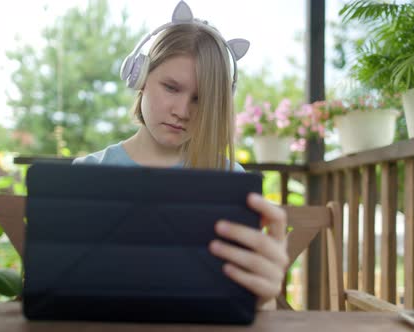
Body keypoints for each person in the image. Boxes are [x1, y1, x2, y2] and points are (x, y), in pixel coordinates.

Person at [73, 0, 288, 310]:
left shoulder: (230, 181)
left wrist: (263, 296)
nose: (183, 111)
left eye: (200, 99)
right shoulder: (88, 173)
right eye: (171, 87)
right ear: (140, 77)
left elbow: (254, 306)